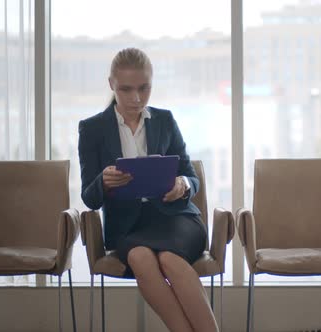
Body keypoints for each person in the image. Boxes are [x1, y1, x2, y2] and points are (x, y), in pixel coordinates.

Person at [78, 47, 218, 332]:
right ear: (111, 85)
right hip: (128, 227)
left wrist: (182, 185)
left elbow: (192, 177)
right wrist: (102, 181)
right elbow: (89, 198)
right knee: (141, 257)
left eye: (144, 88)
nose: (136, 98)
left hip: (176, 219)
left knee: (170, 258)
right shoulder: (92, 129)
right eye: (126, 89)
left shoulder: (165, 121)